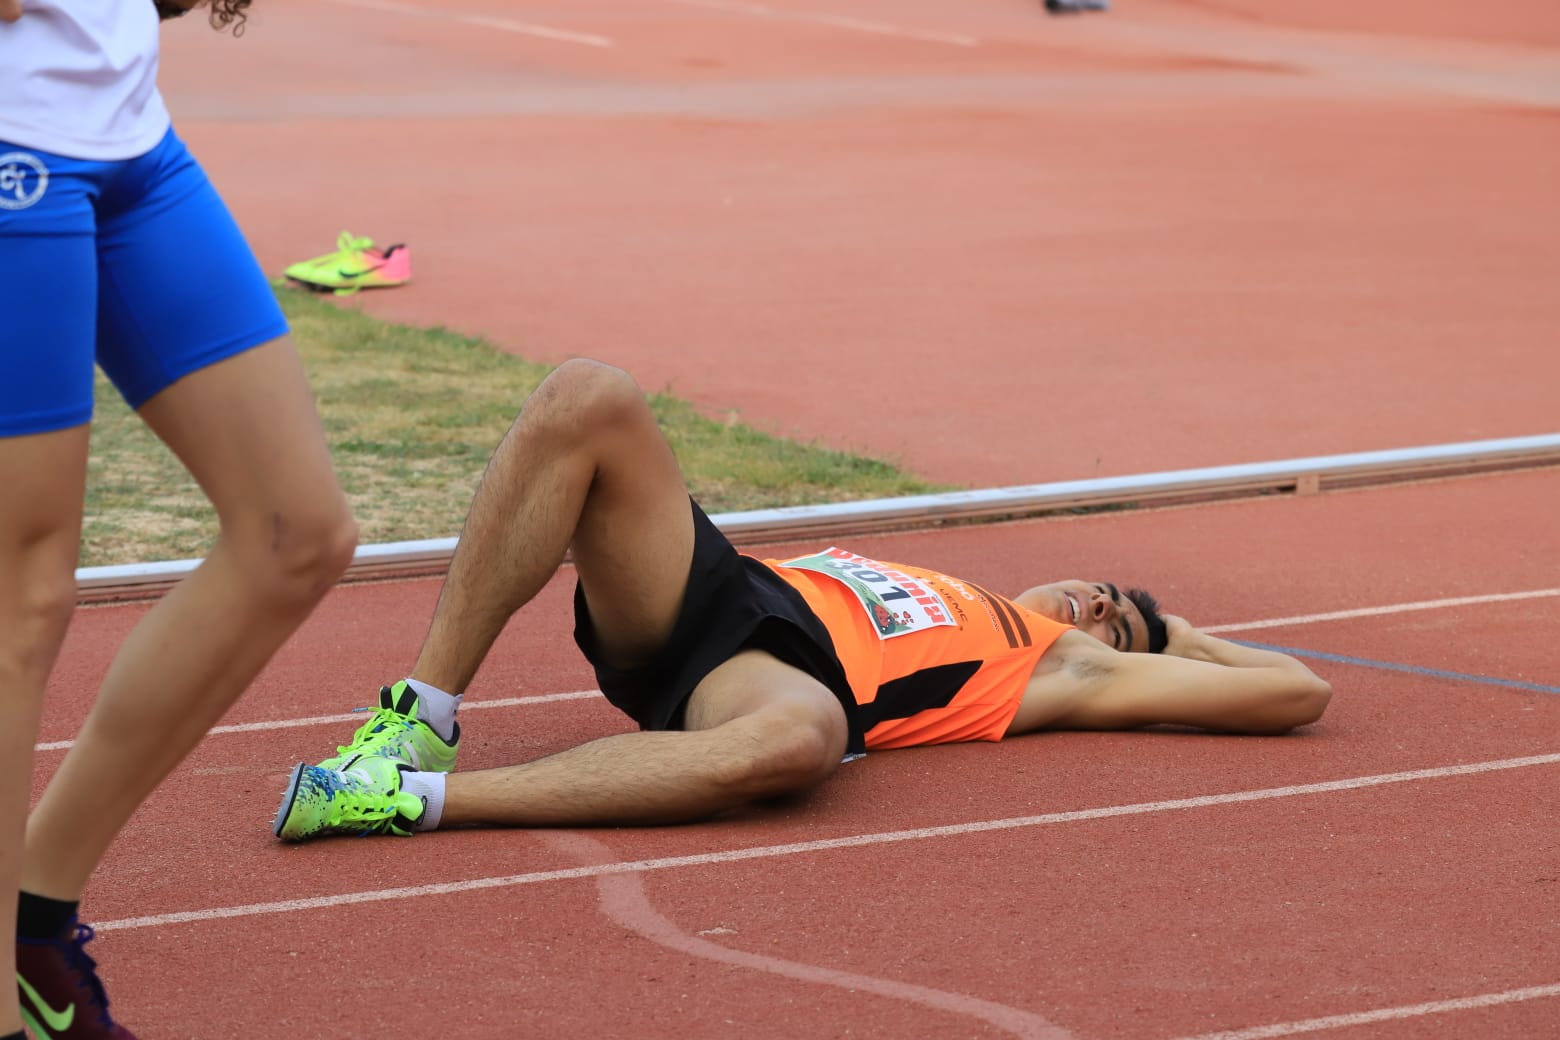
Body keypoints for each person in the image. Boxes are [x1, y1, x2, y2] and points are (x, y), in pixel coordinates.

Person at [273, 359, 1331, 843]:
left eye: (1119, 612)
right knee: (588, 397)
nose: (1098, 601)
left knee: (803, 743)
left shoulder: (1061, 663)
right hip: (724, 590)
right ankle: (414, 726)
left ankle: (403, 803)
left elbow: (1297, 692)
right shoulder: (953, 587)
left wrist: (1178, 634)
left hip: (775, 680)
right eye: (1103, 587)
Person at [1, 2, 358, 1038]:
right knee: (21, 599)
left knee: (297, 531)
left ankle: (33, 913)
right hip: (14, 144)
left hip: (126, 132)